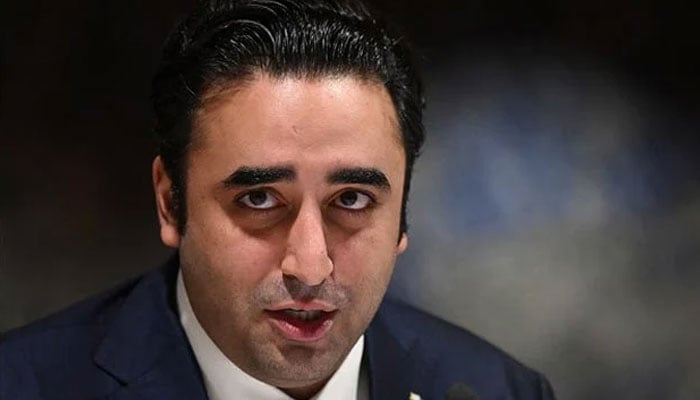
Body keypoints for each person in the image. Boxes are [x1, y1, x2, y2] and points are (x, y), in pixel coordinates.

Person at [0, 0, 556, 399]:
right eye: (260, 199)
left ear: (403, 217)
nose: (310, 267)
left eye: (352, 199)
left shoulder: (500, 389)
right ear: (170, 202)